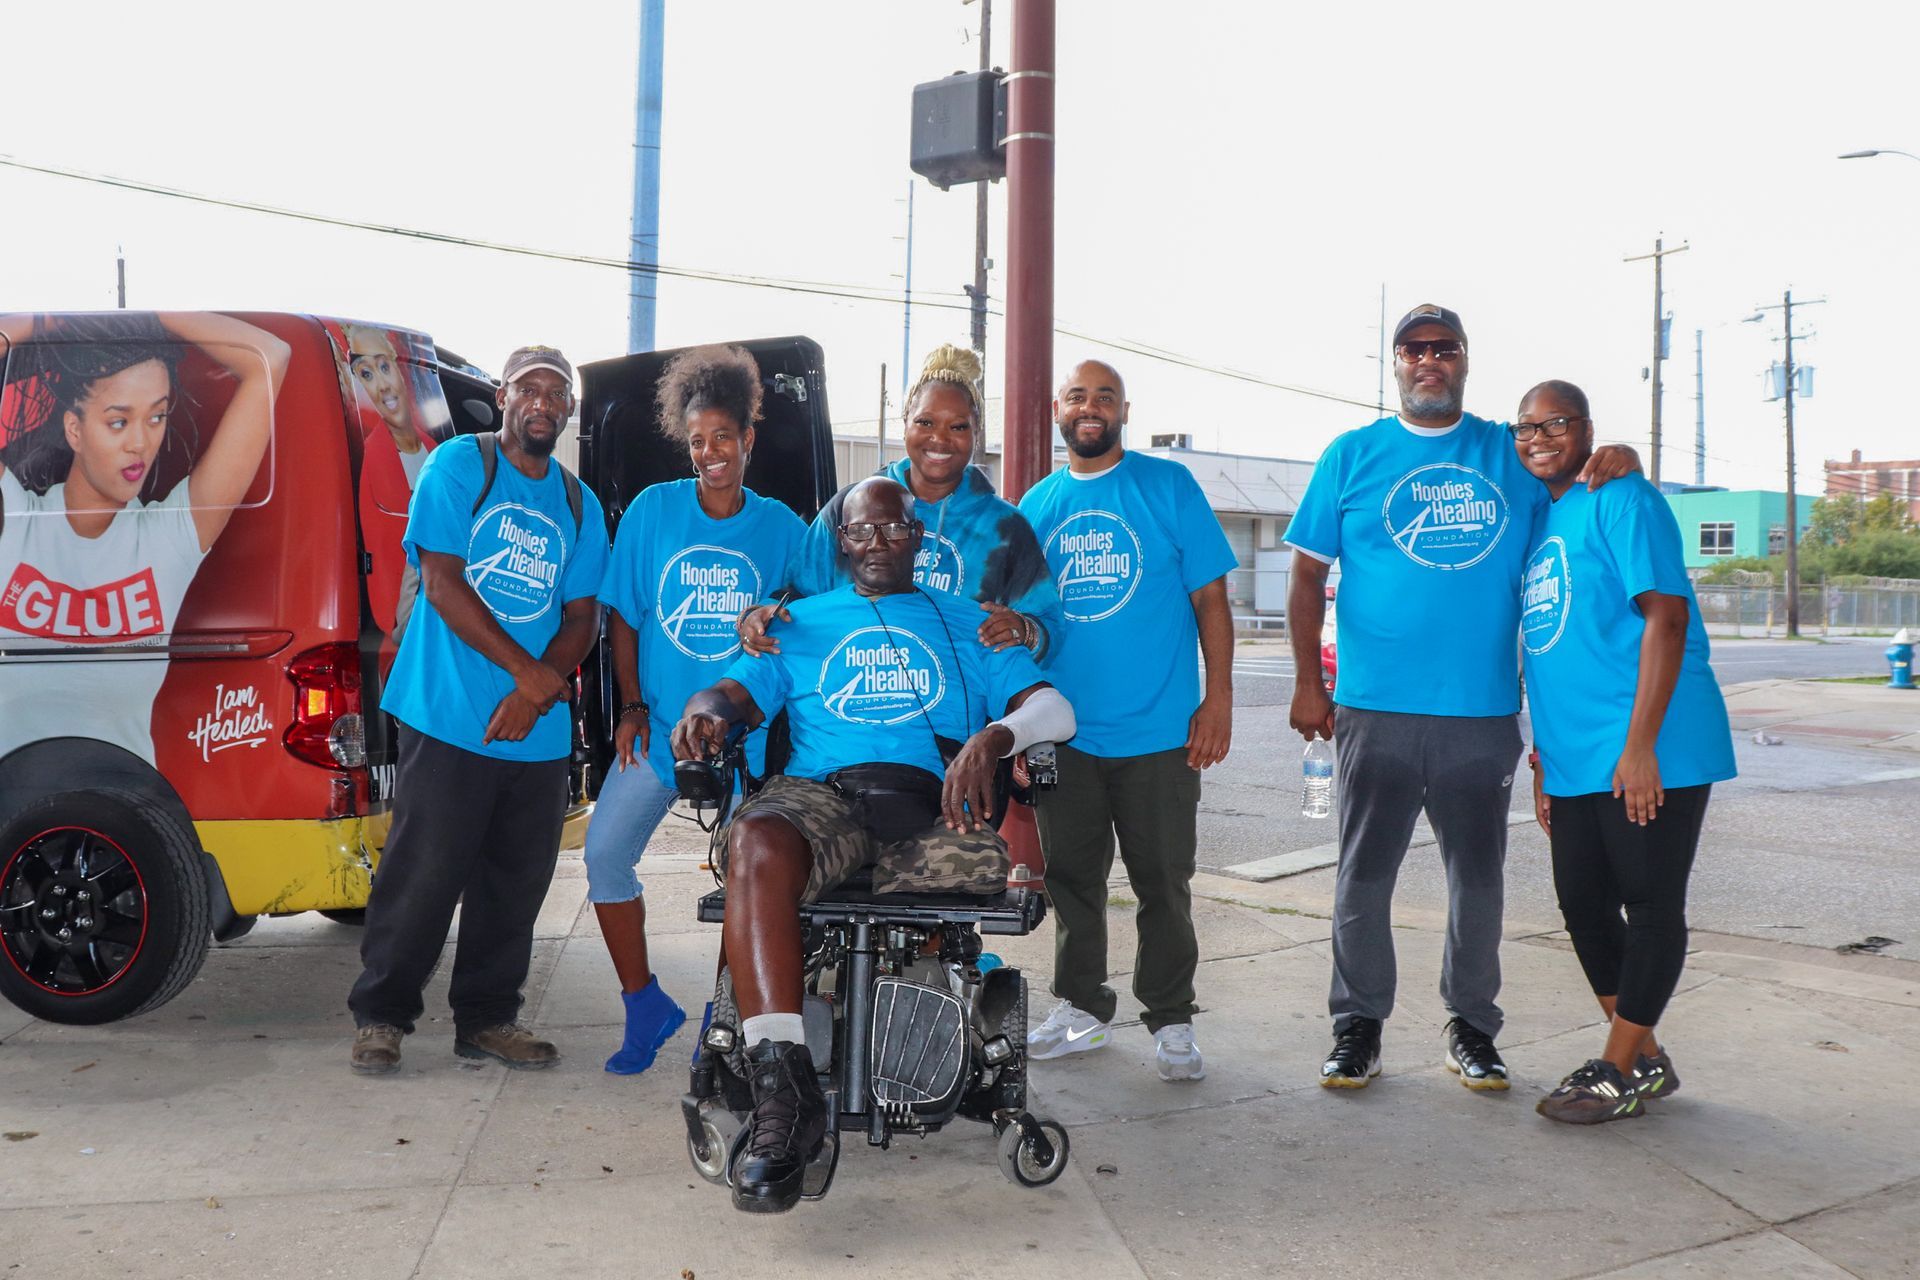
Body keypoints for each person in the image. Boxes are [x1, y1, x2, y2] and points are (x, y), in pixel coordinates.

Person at [671, 476, 1073, 1214]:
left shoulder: (973, 624)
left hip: (931, 799)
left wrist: (994, 736)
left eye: (893, 530)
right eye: (862, 532)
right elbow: (729, 696)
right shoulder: (794, 623)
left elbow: (1055, 709)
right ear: (842, 541)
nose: (878, 544)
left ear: (917, 537)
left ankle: (914, 1049)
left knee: (964, 864)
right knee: (756, 835)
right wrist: (702, 714)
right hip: (822, 795)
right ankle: (783, 1093)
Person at [1286, 304, 1638, 1093]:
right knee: (1361, 874)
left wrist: (1616, 454)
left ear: (1465, 361)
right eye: (1414, 350)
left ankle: (1472, 1027)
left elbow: (1578, 480)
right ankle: (1357, 1025)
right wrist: (1312, 681)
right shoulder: (1353, 455)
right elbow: (1306, 572)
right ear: (1397, 364)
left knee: (1477, 880)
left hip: (1478, 713)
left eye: (1444, 348)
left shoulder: (1505, 452)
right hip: (1372, 707)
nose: (1428, 361)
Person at [347, 345, 608, 1075]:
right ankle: (382, 1016)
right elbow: (441, 582)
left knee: (514, 884)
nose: (544, 403)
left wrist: (536, 691)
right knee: (423, 873)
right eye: (531, 388)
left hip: (536, 733)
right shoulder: (461, 466)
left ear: (568, 412)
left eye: (558, 394)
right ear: (503, 396)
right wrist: (529, 678)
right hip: (449, 713)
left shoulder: (579, 504)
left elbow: (583, 617)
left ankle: (488, 1020)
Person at [1511, 381, 1735, 1123]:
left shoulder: (1622, 497)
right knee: (1582, 905)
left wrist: (1640, 747)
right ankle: (1641, 1055)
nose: (1538, 437)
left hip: (1649, 743)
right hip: (1575, 756)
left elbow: (1665, 618)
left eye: (1555, 423)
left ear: (1586, 429)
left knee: (1648, 901)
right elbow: (1553, 647)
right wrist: (1544, 762)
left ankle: (1615, 1067)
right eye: (1526, 428)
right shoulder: (1547, 516)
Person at [1016, 359, 1237, 1083]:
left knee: (1164, 884)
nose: (1090, 408)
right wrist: (1020, 727)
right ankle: (1081, 1007)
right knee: (1073, 882)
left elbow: (1210, 600)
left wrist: (1219, 699)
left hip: (1160, 734)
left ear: (1123, 412)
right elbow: (1016, 629)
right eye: (1078, 396)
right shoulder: (1036, 507)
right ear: (1058, 408)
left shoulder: (1167, 486)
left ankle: (1171, 1018)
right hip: (1064, 735)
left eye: (1104, 398)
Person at [588, 344, 804, 1075]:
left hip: (743, 741)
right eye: (696, 441)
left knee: (746, 878)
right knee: (605, 855)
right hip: (662, 732)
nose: (709, 453)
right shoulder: (654, 510)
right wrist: (632, 704)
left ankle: (724, 1015)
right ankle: (644, 1004)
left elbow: (804, 620)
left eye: (722, 438)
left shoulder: (782, 530)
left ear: (748, 440)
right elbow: (625, 614)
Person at [0, 311, 290, 764]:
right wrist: (42, 322)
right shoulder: (14, 524)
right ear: (74, 430)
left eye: (156, 417)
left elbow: (271, 358)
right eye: (119, 422)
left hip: (124, 821)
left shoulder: (168, 539)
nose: (141, 443)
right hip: (13, 821)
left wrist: (155, 314)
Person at [739, 344, 1060, 662]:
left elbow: (1047, 628)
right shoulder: (849, 508)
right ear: (905, 421)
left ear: (976, 430)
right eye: (925, 422)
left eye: (958, 426)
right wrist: (761, 615)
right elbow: (796, 599)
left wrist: (1025, 630)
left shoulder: (1004, 528)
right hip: (850, 700)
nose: (940, 439)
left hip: (961, 710)